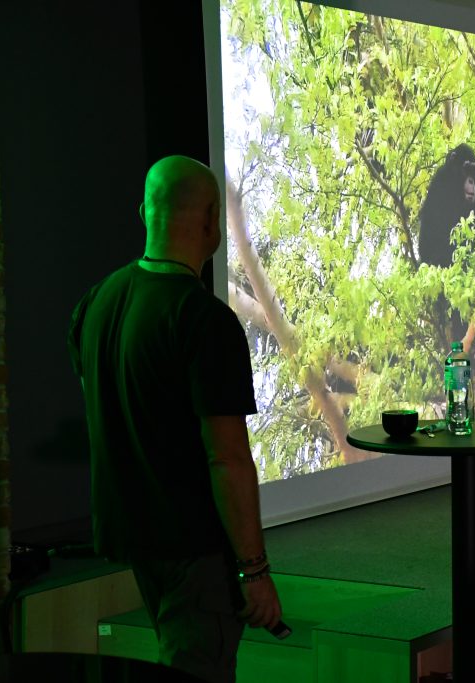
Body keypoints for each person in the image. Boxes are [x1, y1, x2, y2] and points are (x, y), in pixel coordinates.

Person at [68, 155, 282, 683]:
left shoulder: (96, 303)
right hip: (195, 549)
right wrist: (254, 571)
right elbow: (227, 458)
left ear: (144, 213)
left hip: (137, 540)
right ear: (211, 223)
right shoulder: (205, 321)